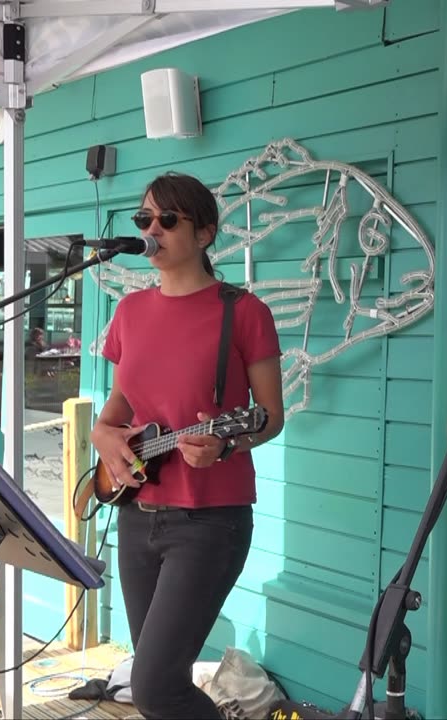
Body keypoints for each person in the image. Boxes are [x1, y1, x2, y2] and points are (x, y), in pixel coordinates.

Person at [91, 171, 285, 719]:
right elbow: (112, 418)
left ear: (204, 233)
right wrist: (104, 438)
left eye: (167, 220)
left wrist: (225, 446)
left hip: (208, 522)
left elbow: (270, 418)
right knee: (160, 682)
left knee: (152, 688)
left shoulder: (243, 312)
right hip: (137, 516)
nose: (152, 230)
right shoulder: (129, 312)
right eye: (143, 220)